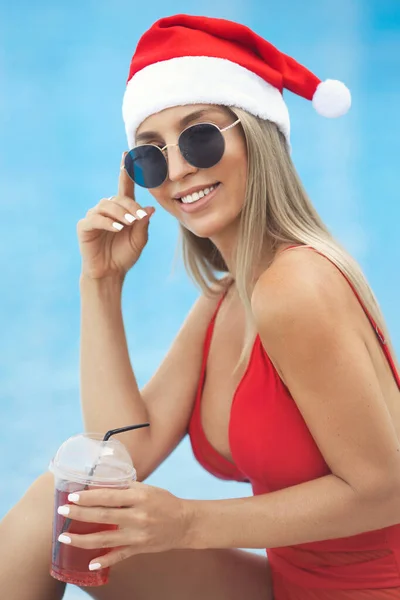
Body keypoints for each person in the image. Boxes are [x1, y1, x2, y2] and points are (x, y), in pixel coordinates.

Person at [1, 13, 400, 600]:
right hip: (288, 585)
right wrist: (100, 285)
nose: (180, 169)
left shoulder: (296, 287)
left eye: (200, 136)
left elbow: (387, 487)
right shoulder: (227, 296)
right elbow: (122, 451)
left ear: (256, 136)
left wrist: (185, 523)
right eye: (151, 156)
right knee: (62, 509)